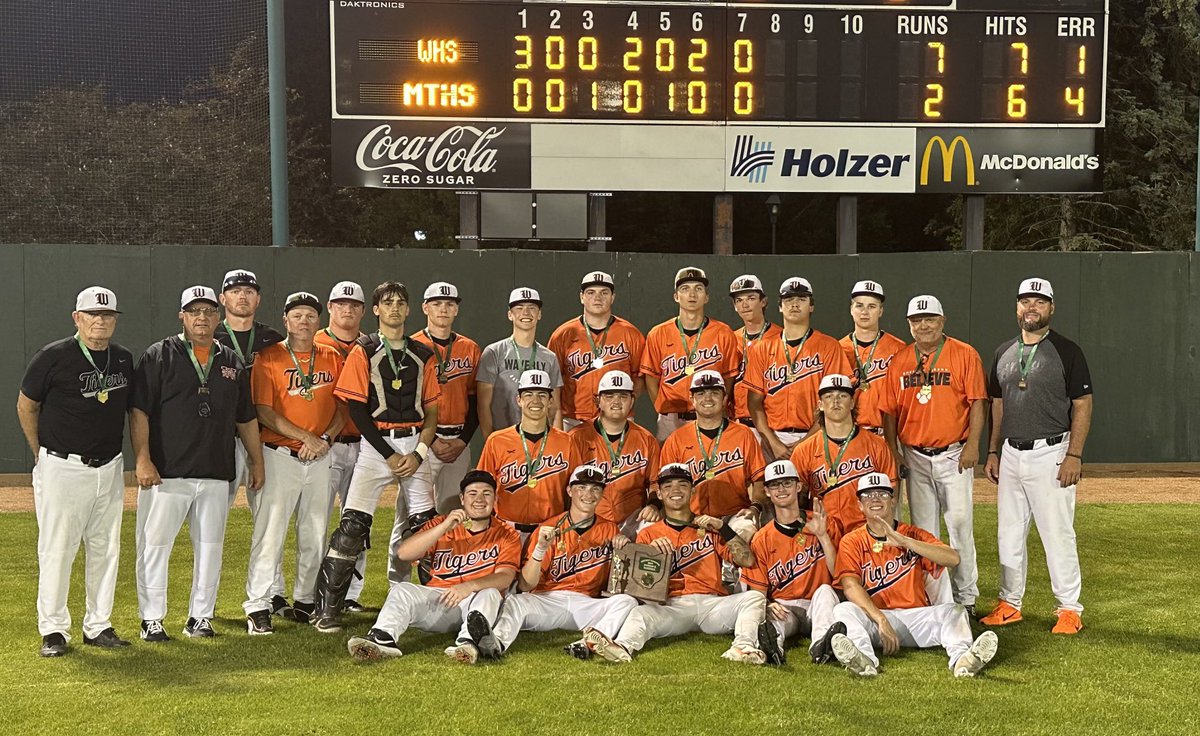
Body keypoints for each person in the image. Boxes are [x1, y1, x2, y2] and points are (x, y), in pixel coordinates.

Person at [131, 286, 264, 642]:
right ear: (182, 316)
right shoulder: (159, 355)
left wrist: (257, 460)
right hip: (167, 471)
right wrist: (143, 458)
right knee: (155, 546)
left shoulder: (231, 361)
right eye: (194, 311)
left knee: (210, 547)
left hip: (216, 470)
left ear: (218, 316)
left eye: (207, 311)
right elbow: (139, 410)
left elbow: (245, 417)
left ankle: (200, 617)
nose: (201, 318)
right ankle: (151, 619)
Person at [311, 281, 441, 633]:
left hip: (415, 445)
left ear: (409, 309)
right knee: (352, 526)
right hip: (375, 446)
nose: (395, 308)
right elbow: (356, 409)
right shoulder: (363, 350)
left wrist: (419, 452)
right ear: (377, 310)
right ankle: (327, 609)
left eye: (401, 302)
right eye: (388, 302)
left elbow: (432, 412)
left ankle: (437, 606)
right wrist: (388, 453)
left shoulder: (424, 353)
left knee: (427, 527)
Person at [18, 286, 137, 657]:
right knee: (57, 549)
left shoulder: (122, 359)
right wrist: (41, 453)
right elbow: (27, 405)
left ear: (115, 320)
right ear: (77, 318)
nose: (100, 321)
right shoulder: (53, 356)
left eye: (107, 315)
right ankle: (53, 630)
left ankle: (98, 625)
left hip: (111, 466)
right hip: (63, 465)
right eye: (92, 314)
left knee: (105, 548)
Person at [981, 278, 1093, 635]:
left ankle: (1069, 609)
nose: (1032, 307)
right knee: (1008, 534)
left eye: (1040, 301)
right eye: (1026, 300)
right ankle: (1010, 604)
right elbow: (997, 405)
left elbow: (1083, 404)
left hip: (1053, 451)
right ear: (1017, 306)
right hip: (1012, 452)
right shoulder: (1003, 352)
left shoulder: (1067, 350)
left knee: (1057, 533)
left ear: (1051, 308)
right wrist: (993, 450)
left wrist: (1074, 454)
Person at [584, 463, 766, 664]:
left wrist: (723, 527)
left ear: (692, 490)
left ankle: (743, 647)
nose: (676, 490)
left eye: (682, 484)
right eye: (668, 486)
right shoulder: (648, 534)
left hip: (712, 604)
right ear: (660, 494)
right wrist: (651, 555)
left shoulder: (711, 527)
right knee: (640, 613)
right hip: (673, 606)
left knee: (753, 598)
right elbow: (640, 592)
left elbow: (747, 560)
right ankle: (622, 646)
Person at [243, 291, 346, 635]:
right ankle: (258, 605)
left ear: (319, 321)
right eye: (297, 315)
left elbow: (344, 406)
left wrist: (325, 440)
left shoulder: (331, 356)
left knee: (315, 532)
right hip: (280, 456)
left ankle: (305, 601)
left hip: (320, 456)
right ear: (285, 320)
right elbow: (264, 411)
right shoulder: (268, 357)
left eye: (311, 316)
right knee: (269, 533)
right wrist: (306, 437)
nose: (304, 321)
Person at [829, 473, 998, 678]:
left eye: (882, 494)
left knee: (955, 611)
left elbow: (953, 559)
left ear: (893, 500)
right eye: (868, 495)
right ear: (860, 505)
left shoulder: (913, 534)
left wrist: (906, 542)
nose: (875, 499)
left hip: (915, 618)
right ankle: (864, 660)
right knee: (843, 609)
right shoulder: (852, 541)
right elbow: (850, 587)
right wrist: (881, 620)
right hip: (876, 622)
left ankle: (963, 661)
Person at [881, 295, 987, 613]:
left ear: (943, 321)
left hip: (954, 453)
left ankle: (966, 597)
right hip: (914, 454)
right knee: (925, 531)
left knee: (960, 525)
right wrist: (894, 451)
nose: (923, 325)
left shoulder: (964, 354)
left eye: (929, 319)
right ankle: (937, 597)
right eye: (916, 320)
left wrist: (972, 445)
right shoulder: (900, 360)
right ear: (909, 325)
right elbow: (888, 412)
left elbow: (978, 403)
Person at [345, 470, 520, 664]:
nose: (479, 499)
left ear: (495, 498)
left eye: (486, 493)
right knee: (402, 590)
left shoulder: (506, 533)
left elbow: (505, 577)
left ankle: (469, 643)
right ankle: (382, 639)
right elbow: (404, 553)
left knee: (491, 593)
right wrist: (444, 527)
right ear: (462, 498)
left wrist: (469, 586)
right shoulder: (442, 524)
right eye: (473, 493)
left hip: (475, 603)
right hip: (441, 600)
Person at [491, 465, 639, 657]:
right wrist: (540, 549)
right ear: (570, 491)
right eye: (582, 488)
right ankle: (496, 643)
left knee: (627, 602)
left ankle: (587, 644)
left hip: (586, 605)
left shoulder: (610, 529)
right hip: (548, 601)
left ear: (602, 493)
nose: (589, 494)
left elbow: (620, 585)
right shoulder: (548, 527)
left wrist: (624, 549)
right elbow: (526, 585)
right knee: (516, 602)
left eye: (595, 489)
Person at [744, 460, 844, 666]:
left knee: (825, 590)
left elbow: (839, 575)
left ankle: (820, 645)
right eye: (775, 485)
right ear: (767, 491)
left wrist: (823, 537)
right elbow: (756, 590)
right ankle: (773, 647)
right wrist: (768, 604)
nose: (781, 489)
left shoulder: (825, 523)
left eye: (787, 483)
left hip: (818, 605)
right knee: (775, 620)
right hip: (785, 606)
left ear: (798, 487)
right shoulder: (761, 538)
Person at [746, 277, 852, 462]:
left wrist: (806, 441)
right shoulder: (762, 348)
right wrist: (773, 442)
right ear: (780, 307)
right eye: (789, 300)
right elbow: (754, 403)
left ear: (811, 306)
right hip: (772, 439)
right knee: (772, 491)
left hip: (816, 435)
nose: (794, 304)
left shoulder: (829, 346)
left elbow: (836, 401)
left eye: (801, 299)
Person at [314, 281, 369, 611]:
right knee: (316, 523)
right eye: (340, 303)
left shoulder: (371, 345)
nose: (347, 309)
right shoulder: (313, 342)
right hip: (326, 446)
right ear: (330, 307)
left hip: (363, 446)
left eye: (354, 304)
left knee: (358, 522)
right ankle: (312, 594)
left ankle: (349, 596)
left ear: (363, 311)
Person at [660, 370, 766, 542]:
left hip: (734, 515)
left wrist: (755, 508)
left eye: (714, 393)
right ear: (692, 399)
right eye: (701, 393)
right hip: (691, 517)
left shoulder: (744, 434)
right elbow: (664, 487)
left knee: (745, 528)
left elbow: (759, 479)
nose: (707, 398)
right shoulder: (676, 440)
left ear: (724, 399)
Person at [476, 370, 581, 539]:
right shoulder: (496, 441)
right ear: (519, 400)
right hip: (505, 530)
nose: (535, 401)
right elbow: (482, 487)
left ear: (550, 401)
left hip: (551, 531)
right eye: (529, 394)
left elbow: (577, 491)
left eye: (542, 395)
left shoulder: (567, 442)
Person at [641, 267, 740, 441]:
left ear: (707, 297)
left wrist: (718, 406)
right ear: (676, 297)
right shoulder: (658, 333)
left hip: (709, 415)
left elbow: (728, 376)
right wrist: (662, 405)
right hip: (670, 418)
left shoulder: (724, 333)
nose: (692, 294)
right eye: (685, 289)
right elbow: (651, 377)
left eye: (698, 289)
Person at [790, 374, 897, 532]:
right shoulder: (804, 450)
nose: (836, 402)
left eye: (842, 396)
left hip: (866, 530)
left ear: (852, 403)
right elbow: (795, 497)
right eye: (829, 396)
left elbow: (891, 490)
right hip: (824, 531)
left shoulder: (877, 445)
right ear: (820, 404)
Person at [214, 269, 283, 511]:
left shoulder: (273, 339)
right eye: (235, 291)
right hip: (222, 435)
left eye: (249, 291)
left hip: (264, 435)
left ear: (258, 299)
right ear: (223, 299)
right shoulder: (209, 336)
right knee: (215, 510)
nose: (242, 296)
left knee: (268, 511)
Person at [411, 281, 482, 513]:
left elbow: (476, 401)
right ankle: (399, 552)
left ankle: (445, 552)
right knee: (411, 511)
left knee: (452, 510)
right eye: (437, 303)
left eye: (449, 304)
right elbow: (407, 404)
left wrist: (462, 441)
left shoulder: (470, 347)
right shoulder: (411, 347)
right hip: (421, 440)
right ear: (425, 308)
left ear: (456, 310)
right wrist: (431, 441)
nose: (443, 309)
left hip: (458, 441)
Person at [568, 370, 662, 539]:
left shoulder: (646, 439)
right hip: (589, 517)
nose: (616, 402)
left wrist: (654, 506)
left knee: (653, 527)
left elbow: (655, 482)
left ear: (632, 401)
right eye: (609, 396)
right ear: (598, 401)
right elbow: (565, 486)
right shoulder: (576, 438)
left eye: (623, 396)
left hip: (632, 518)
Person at [549, 271, 646, 431]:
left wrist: (624, 403)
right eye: (591, 292)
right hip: (573, 418)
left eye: (604, 293)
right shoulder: (562, 334)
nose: (598, 298)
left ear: (613, 297)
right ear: (582, 297)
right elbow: (553, 382)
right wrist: (557, 421)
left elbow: (640, 377)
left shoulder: (630, 333)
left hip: (618, 419)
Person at [477, 287, 562, 437]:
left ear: (539, 314)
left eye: (532, 308)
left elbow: (555, 408)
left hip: (540, 441)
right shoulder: (494, 352)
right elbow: (483, 405)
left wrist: (559, 442)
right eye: (519, 308)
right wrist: (490, 441)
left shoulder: (549, 357)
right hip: (504, 440)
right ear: (510, 314)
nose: (526, 313)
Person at [838, 280, 906, 434]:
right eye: (859, 305)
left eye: (872, 306)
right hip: (849, 433)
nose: (865, 312)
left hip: (888, 434)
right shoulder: (838, 349)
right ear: (851, 309)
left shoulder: (899, 349)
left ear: (881, 311)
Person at [727, 275, 781, 435]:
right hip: (738, 423)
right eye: (739, 300)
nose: (744, 304)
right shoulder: (730, 339)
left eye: (751, 298)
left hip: (771, 424)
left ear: (763, 302)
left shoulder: (781, 337)